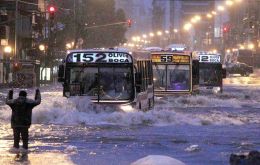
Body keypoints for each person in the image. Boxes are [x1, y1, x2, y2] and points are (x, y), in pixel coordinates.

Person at [6, 89, 41, 153]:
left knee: (16, 140)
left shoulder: (14, 102)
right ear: (26, 95)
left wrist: (10, 92)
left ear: (19, 95)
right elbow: (38, 101)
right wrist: (37, 93)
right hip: (25, 124)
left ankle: (16, 153)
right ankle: (24, 154)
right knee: (25, 141)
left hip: (15, 123)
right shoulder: (29, 102)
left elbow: (7, 101)